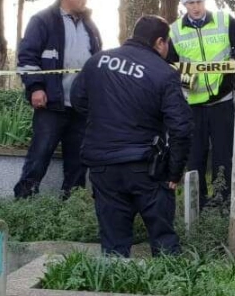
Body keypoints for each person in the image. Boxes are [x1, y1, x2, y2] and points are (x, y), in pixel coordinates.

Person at [72, 15, 193, 257]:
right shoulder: (163, 73)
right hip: (146, 167)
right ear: (160, 42)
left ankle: (114, 280)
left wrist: (107, 120)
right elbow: (181, 127)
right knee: (164, 243)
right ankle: (169, 281)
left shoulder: (97, 61)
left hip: (103, 165)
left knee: (113, 246)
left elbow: (78, 100)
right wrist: (174, 172)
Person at [13, 0, 101, 199]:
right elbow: (27, 57)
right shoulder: (42, 21)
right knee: (39, 154)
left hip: (81, 106)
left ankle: (71, 204)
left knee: (78, 160)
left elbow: (96, 61)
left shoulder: (90, 26)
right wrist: (35, 88)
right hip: (51, 104)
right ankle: (24, 200)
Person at [166, 0, 235, 210]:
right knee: (195, 157)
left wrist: (230, 77)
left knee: (223, 155)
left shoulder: (225, 21)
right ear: (184, 5)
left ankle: (223, 202)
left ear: (205, 1)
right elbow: (169, 65)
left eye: (199, 2)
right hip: (192, 104)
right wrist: (186, 81)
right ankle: (198, 205)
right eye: (191, 3)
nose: (196, 7)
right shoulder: (174, 31)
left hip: (222, 101)